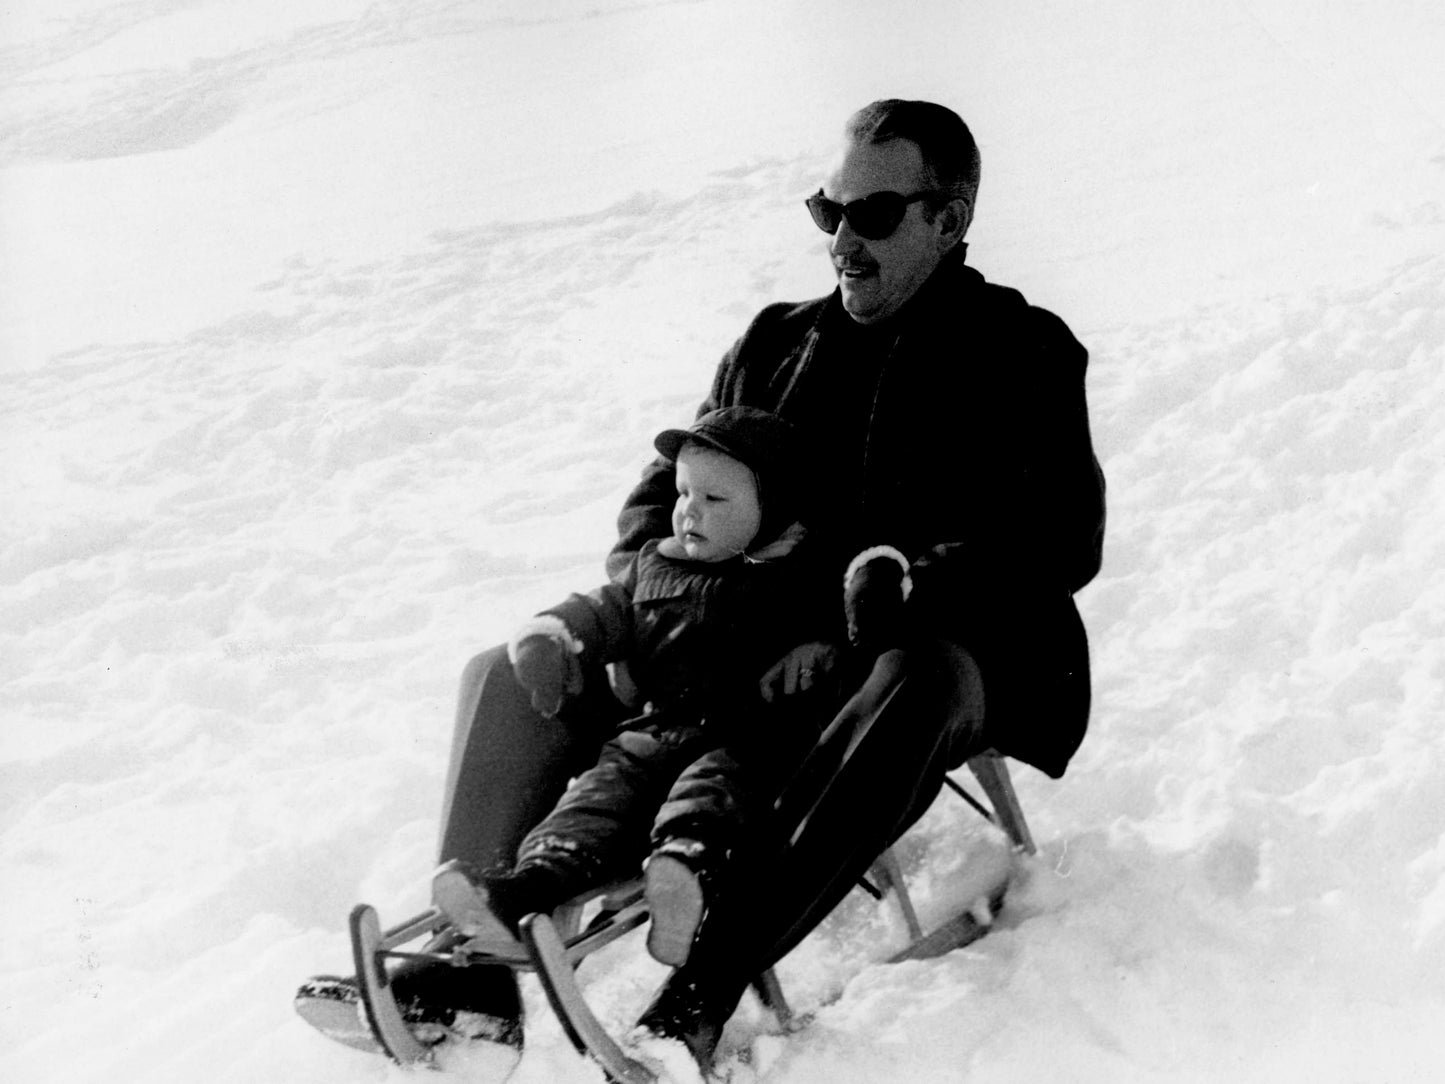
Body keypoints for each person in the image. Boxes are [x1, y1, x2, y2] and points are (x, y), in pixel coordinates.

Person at [297, 97, 1105, 1071]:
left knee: (912, 674)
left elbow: (1059, 538)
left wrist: (904, 582)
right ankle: (471, 977)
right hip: (749, 645)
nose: (842, 239)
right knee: (508, 673)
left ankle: (702, 991)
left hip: (953, 644)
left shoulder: (1017, 350)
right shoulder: (774, 345)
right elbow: (658, 506)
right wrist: (663, 607)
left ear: (948, 217)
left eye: (873, 215)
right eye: (827, 210)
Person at [430, 406, 841, 969]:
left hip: (748, 741)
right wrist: (552, 637)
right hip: (652, 733)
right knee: (595, 800)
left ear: (774, 512)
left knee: (711, 796)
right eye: (683, 493)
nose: (690, 511)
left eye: (715, 500)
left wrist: (823, 649)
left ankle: (685, 881)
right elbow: (604, 609)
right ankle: (523, 893)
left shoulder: (801, 577)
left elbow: (850, 632)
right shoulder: (656, 568)